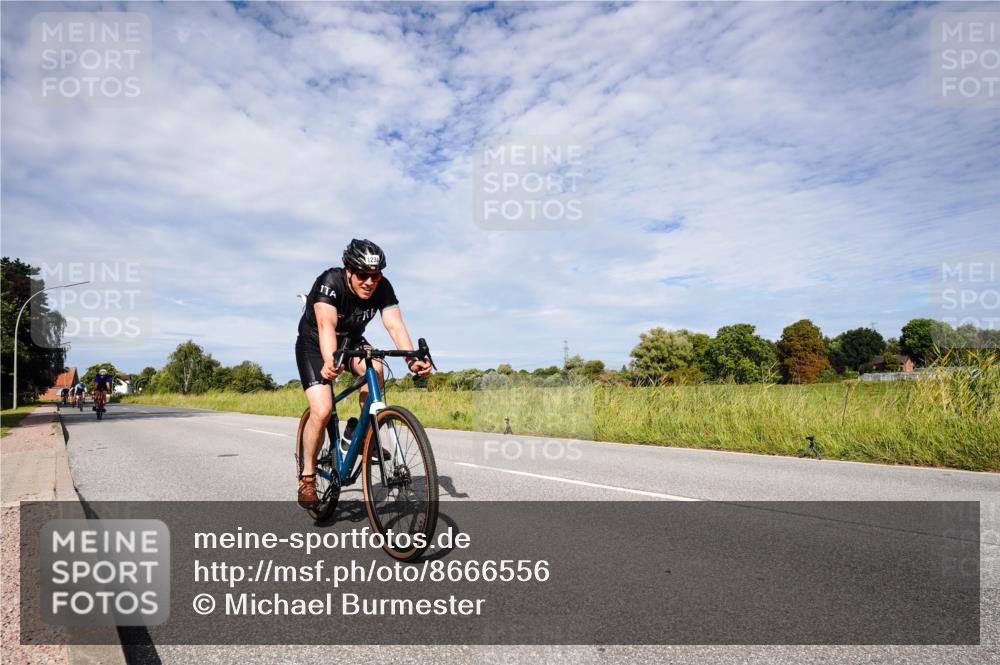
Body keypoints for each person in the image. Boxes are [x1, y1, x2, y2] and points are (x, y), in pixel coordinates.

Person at [294, 239, 431, 508]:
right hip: (314, 343)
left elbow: (395, 325)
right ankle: (308, 475)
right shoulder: (329, 281)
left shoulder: (382, 286)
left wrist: (411, 359)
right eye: (363, 275)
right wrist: (330, 361)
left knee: (376, 369)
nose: (370, 282)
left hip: (353, 340)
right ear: (348, 271)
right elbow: (325, 325)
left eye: (375, 275)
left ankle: (367, 438)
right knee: (321, 411)